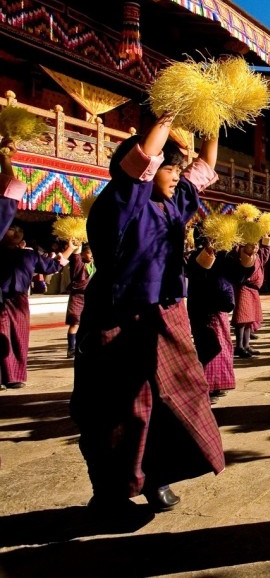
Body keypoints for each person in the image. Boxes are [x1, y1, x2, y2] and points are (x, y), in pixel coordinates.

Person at [71, 114, 225, 519]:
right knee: (118, 410)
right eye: (169, 167)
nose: (177, 174)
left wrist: (216, 109)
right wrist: (168, 114)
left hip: (167, 317)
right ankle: (111, 492)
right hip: (119, 318)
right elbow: (142, 162)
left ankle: (157, 477)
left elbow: (205, 168)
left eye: (176, 168)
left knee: (171, 403)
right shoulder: (118, 204)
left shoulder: (172, 205)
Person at [0, 224, 76, 388]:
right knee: (9, 337)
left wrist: (70, 249)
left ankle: (12, 377)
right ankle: (8, 377)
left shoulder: (28, 255)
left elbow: (52, 267)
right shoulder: (22, 255)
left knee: (13, 337)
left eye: (19, 230)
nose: (17, 232)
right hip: (9, 300)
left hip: (15, 301)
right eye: (13, 229)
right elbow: (53, 266)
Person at [187, 237, 254, 403]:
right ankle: (206, 386)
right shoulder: (195, 257)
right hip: (202, 308)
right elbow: (195, 272)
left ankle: (216, 385)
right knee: (208, 347)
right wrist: (209, 252)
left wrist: (247, 254)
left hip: (220, 307)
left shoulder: (225, 257)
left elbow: (239, 275)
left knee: (223, 346)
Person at [232, 234, 270, 358]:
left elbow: (265, 252)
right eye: (252, 245)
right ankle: (239, 346)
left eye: (256, 245)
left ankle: (246, 345)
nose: (255, 248)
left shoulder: (258, 256)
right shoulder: (241, 254)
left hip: (254, 290)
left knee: (249, 319)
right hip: (244, 288)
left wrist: (267, 237)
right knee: (242, 319)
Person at [64, 243, 94, 359]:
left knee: (90, 323)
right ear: (82, 254)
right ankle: (71, 348)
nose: (91, 256)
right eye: (89, 253)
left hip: (91, 296)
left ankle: (85, 347)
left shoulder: (96, 265)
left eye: (92, 253)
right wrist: (78, 242)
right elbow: (76, 255)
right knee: (75, 322)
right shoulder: (78, 264)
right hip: (77, 297)